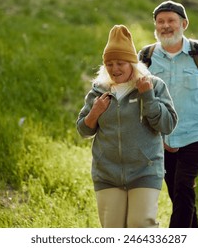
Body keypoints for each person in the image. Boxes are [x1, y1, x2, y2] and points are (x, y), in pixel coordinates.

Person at [139, 0, 198, 228]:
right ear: (155, 26)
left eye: (171, 20)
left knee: (182, 186)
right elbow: (135, 99)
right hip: (159, 137)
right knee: (179, 193)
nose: (166, 26)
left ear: (184, 24)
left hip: (194, 134)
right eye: (161, 21)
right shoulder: (146, 57)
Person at [76, 25, 178, 228]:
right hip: (107, 174)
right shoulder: (99, 91)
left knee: (140, 225)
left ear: (132, 62)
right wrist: (95, 112)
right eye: (110, 64)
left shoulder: (153, 85)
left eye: (120, 63)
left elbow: (167, 124)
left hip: (145, 171)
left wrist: (148, 96)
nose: (114, 69)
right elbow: (83, 129)